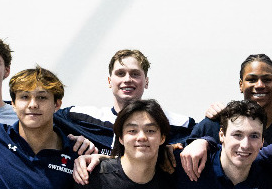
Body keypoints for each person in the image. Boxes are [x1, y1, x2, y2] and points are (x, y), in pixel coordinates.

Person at [56, 48, 192, 150]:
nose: (127, 79)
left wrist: (200, 142)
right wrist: (70, 138)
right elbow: (44, 121)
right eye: (120, 74)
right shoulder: (81, 117)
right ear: (109, 81)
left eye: (135, 74)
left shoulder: (174, 123)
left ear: (146, 82)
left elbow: (207, 133)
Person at [188, 54, 272, 142]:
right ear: (241, 85)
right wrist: (201, 143)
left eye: (266, 79)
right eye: (252, 80)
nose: (260, 85)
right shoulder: (215, 124)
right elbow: (180, 150)